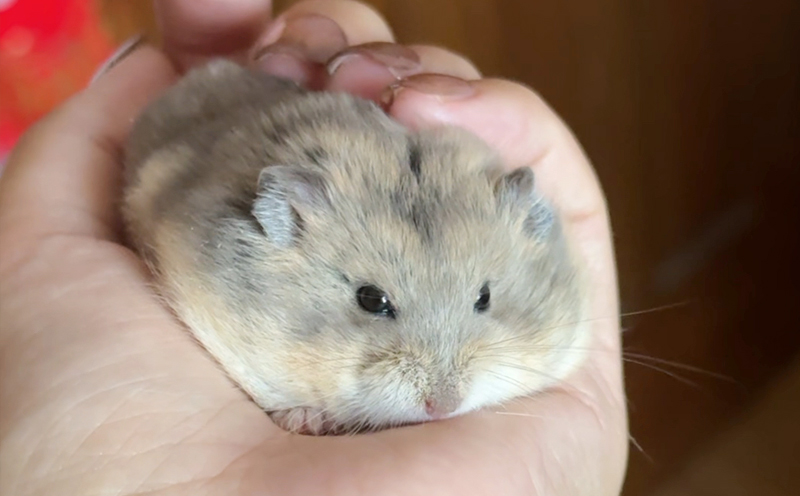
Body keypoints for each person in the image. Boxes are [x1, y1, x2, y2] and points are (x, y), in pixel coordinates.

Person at [0, 1, 628, 494]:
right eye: (374, 301)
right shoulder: (216, 240)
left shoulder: (515, 240)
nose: (445, 391)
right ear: (284, 218)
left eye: (482, 300)